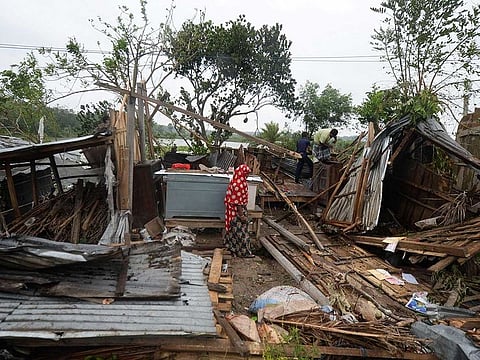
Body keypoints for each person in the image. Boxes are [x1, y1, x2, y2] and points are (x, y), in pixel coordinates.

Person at [224, 164, 253, 257]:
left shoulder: (237, 181)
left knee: (233, 232)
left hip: (233, 210)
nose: (247, 176)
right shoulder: (239, 184)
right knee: (242, 233)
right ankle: (244, 252)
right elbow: (238, 202)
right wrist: (241, 216)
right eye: (246, 173)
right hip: (237, 211)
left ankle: (232, 249)